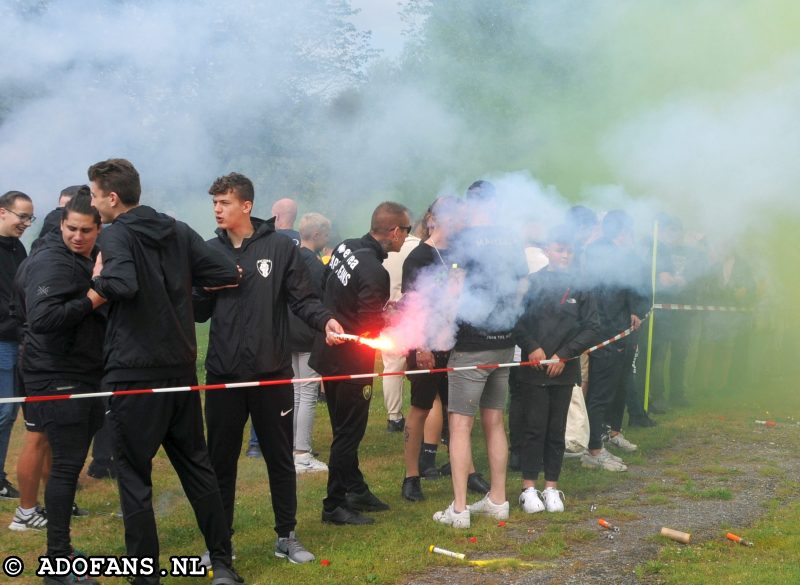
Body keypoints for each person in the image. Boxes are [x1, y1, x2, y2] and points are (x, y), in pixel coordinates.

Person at [87, 158, 243, 585]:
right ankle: (222, 565)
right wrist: (177, 288)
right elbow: (226, 272)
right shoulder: (175, 228)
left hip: (134, 373)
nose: (94, 202)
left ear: (113, 197)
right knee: (198, 468)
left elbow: (122, 285)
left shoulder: (115, 234)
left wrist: (98, 278)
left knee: (135, 478)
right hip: (179, 369)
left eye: (95, 195)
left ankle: (145, 576)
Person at [194, 173, 342, 564]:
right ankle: (219, 544)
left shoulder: (279, 248)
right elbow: (196, 311)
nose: (217, 210)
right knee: (220, 461)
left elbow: (303, 299)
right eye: (214, 204)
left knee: (280, 457)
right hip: (224, 375)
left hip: (270, 371)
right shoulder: (209, 251)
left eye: (223, 203)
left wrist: (325, 320)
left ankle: (286, 536)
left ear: (246, 205)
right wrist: (206, 288)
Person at [12, 193, 106, 584]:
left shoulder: (80, 256)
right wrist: (95, 295)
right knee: (67, 467)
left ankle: (62, 553)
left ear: (98, 229)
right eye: (72, 229)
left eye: (86, 230)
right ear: (61, 225)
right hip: (55, 372)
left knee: (69, 463)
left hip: (79, 369)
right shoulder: (52, 260)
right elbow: (45, 318)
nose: (79, 236)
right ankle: (57, 562)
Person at [433, 180, 528, 529]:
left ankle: (459, 509)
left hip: (471, 346)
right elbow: (521, 287)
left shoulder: (464, 239)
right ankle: (498, 500)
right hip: (504, 342)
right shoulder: (511, 238)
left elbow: (455, 289)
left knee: (459, 425)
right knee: (494, 421)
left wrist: (443, 330)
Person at [310, 201, 411, 525]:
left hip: (328, 353)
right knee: (348, 434)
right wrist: (393, 316)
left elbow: (329, 284)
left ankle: (355, 488)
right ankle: (334, 504)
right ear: (394, 231)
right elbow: (371, 328)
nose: (406, 235)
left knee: (343, 429)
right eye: (406, 230)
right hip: (352, 363)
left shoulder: (346, 246)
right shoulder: (375, 271)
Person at [514, 226, 600, 513]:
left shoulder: (582, 286)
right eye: (559, 249)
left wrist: (564, 355)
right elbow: (517, 321)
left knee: (556, 431)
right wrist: (533, 348)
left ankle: (551, 487)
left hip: (564, 370)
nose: (564, 254)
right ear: (547, 250)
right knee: (533, 429)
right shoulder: (531, 282)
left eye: (568, 250)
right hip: (533, 370)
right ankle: (529, 488)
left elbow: (592, 327)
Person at [581, 211, 648, 472]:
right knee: (599, 395)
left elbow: (629, 289)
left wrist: (634, 310)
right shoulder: (603, 254)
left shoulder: (615, 255)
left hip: (615, 333)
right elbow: (606, 298)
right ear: (622, 232)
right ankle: (594, 450)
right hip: (606, 335)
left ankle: (600, 442)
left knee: (609, 392)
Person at [246, 197, 302, 458]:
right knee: (286, 386)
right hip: (296, 322)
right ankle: (280, 443)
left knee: (264, 383)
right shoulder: (300, 242)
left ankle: (258, 444)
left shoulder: (268, 244)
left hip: (270, 325)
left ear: (275, 214)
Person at [290, 213, 334, 473]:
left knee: (296, 392)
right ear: (317, 235)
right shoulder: (316, 266)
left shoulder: (290, 256)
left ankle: (294, 446)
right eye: (326, 235)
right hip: (307, 333)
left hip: (289, 333)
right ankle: (302, 454)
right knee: (307, 393)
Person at [0, 191, 35, 501]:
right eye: (21, 216)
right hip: (2, 341)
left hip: (20, 338)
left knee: (17, 411)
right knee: (5, 411)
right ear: (2, 213)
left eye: (29, 218)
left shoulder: (18, 248)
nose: (26, 223)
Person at [380, 222, 421, 433]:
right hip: (410, 311)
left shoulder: (381, 246)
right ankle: (420, 410)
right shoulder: (418, 247)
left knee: (392, 365)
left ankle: (394, 416)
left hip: (386, 310)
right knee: (417, 365)